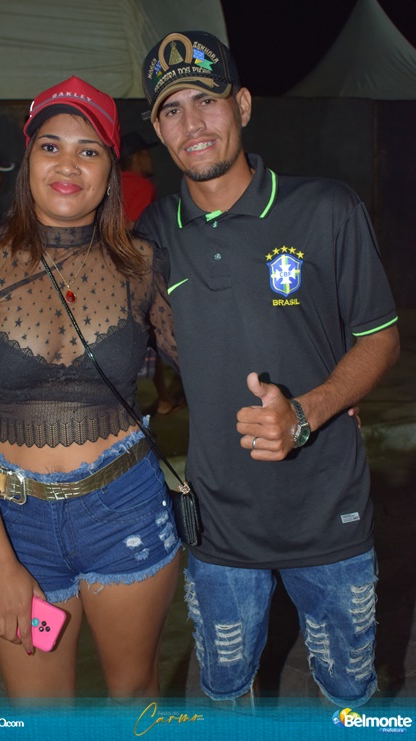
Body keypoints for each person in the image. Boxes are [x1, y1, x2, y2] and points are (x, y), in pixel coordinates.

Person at [136, 31, 400, 708]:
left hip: (330, 514)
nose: (192, 123)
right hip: (220, 526)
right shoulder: (153, 235)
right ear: (159, 131)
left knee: (351, 695)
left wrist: (308, 412)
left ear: (244, 105)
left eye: (207, 100)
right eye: (172, 110)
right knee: (224, 693)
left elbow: (380, 338)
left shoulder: (327, 208)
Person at [0, 75, 181, 699]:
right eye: (51, 146)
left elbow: (207, 363)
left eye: (89, 150)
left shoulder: (142, 263)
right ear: (28, 161)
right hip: (18, 525)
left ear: (110, 170)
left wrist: (312, 394)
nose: (68, 164)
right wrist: (0, 563)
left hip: (125, 506)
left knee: (133, 698)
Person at [120, 131, 184, 416]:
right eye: (147, 154)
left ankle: (163, 397)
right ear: (137, 158)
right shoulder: (141, 185)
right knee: (162, 335)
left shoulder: (110, 184)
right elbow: (138, 232)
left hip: (106, 277)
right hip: (136, 273)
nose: (151, 160)